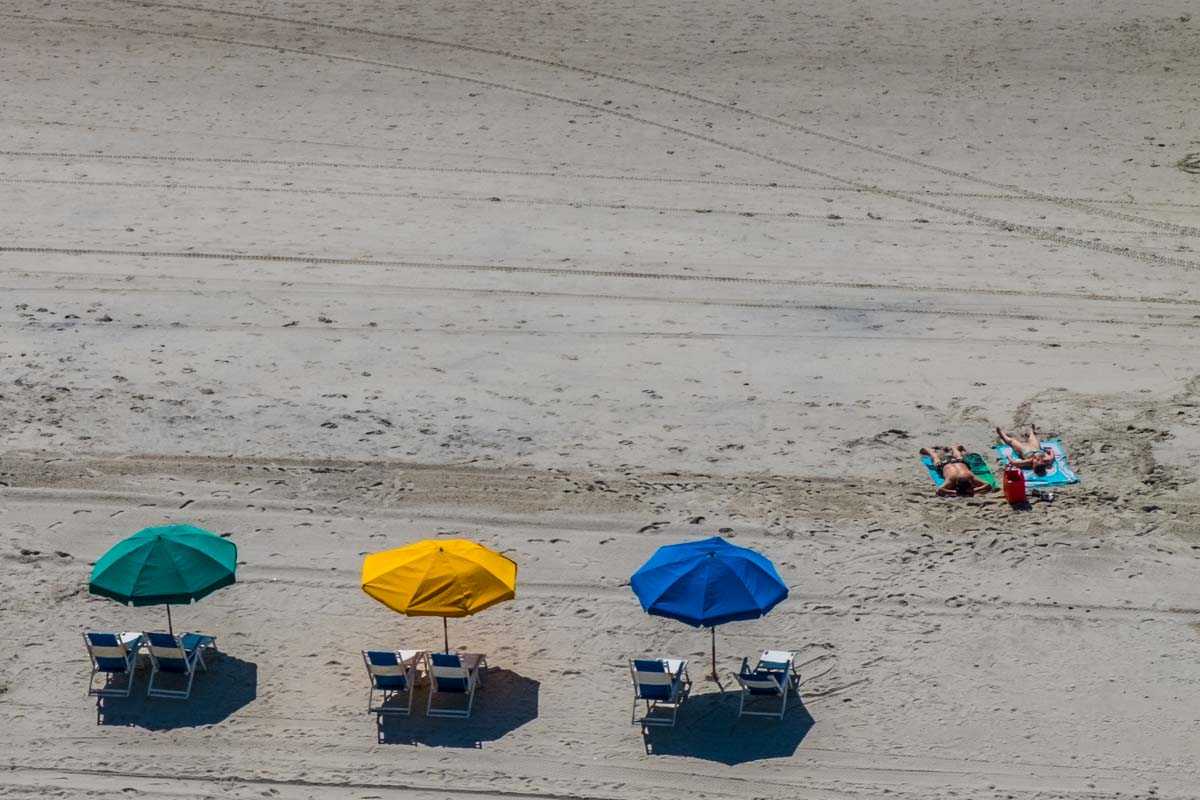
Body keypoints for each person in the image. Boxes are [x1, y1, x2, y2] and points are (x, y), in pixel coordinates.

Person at [921, 444, 993, 497]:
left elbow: (940, 490)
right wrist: (957, 492)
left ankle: (935, 451)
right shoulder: (953, 479)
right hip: (950, 464)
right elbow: (988, 486)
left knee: (957, 458)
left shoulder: (969, 477)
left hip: (952, 464)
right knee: (937, 460)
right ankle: (950, 449)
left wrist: (954, 492)